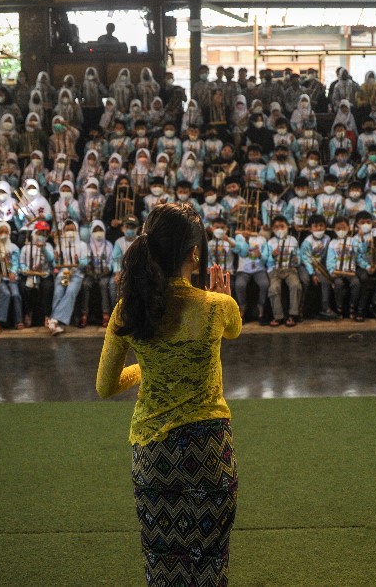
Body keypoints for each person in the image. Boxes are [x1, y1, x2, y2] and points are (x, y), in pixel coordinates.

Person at [97, 202, 240, 587]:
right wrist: (219, 297)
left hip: (153, 456)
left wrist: (150, 367)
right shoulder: (217, 306)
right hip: (208, 454)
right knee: (210, 563)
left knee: (161, 560)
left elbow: (104, 386)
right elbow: (234, 330)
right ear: (195, 253)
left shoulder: (129, 309)